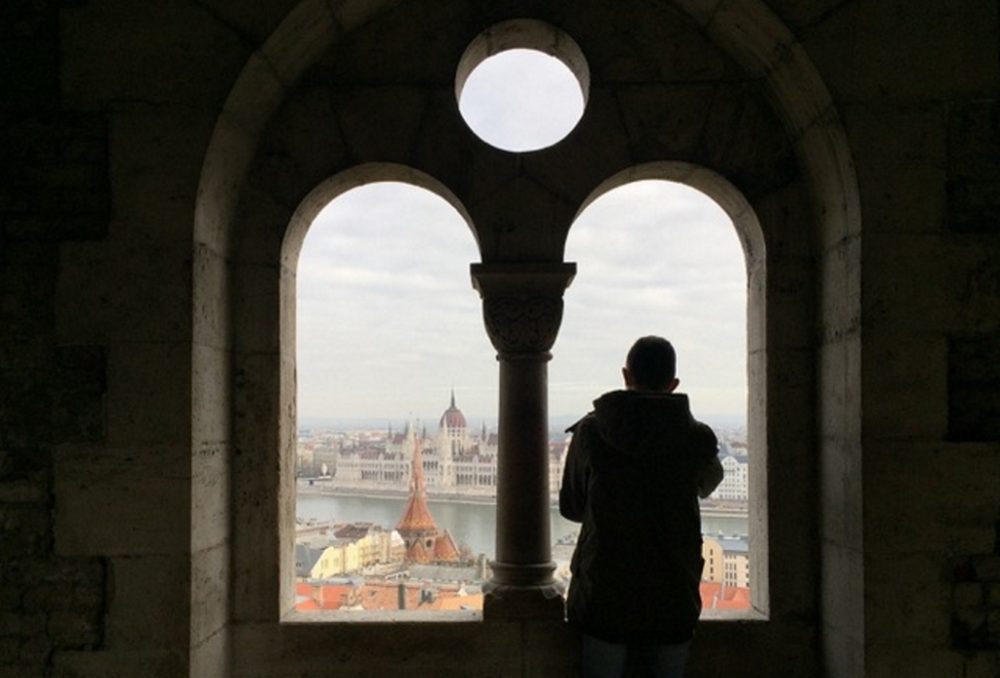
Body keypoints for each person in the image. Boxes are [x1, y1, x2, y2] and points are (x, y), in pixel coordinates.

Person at [560, 336, 724, 678]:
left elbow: (572, 506)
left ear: (625, 375)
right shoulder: (698, 438)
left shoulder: (591, 432)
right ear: (673, 383)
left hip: (604, 594)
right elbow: (707, 486)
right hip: (672, 596)